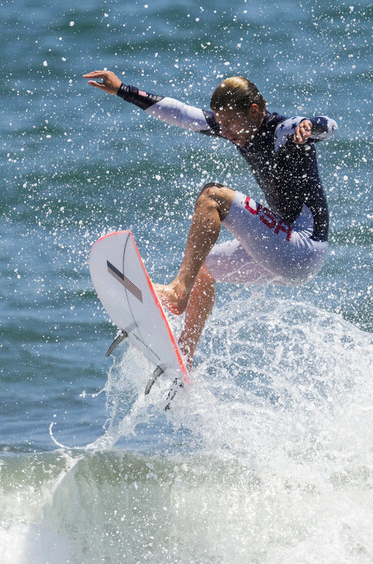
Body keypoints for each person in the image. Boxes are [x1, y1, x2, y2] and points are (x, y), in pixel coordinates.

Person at [83, 70, 338, 365]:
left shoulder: (284, 130)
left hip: (302, 247)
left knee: (213, 196)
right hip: (283, 248)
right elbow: (179, 113)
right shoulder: (240, 129)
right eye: (221, 124)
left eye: (229, 123)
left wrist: (310, 125)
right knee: (203, 267)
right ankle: (185, 353)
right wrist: (122, 90)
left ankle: (178, 291)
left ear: (254, 111)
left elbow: (329, 126)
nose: (226, 132)